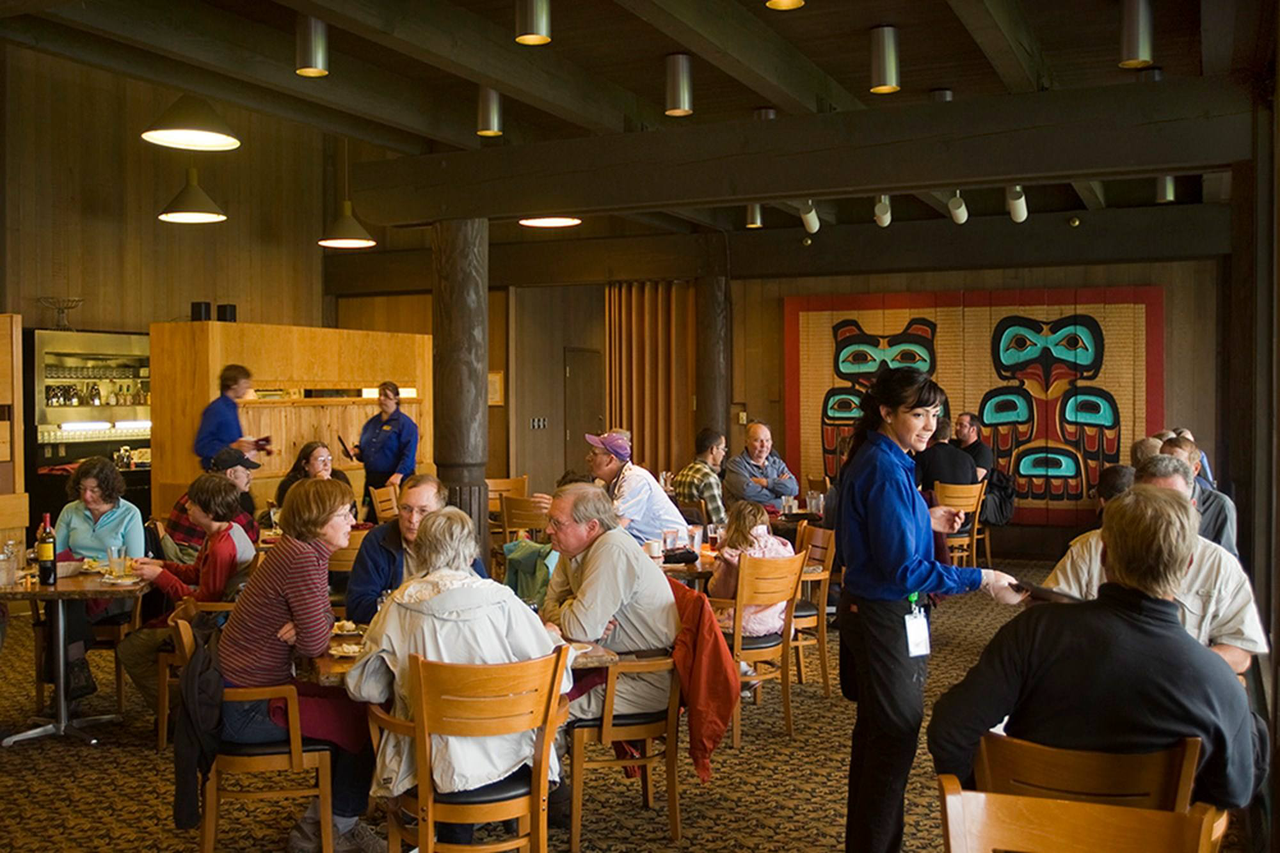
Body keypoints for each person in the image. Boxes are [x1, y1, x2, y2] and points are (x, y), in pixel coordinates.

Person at [928, 484, 1267, 811]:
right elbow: (1234, 792)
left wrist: (987, 798)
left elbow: (950, 729)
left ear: (1103, 554)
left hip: (1031, 836)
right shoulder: (1214, 679)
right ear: (1189, 564)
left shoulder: (1034, 633)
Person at [837, 367, 1021, 853]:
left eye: (935, 414)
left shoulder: (890, 459)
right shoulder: (881, 466)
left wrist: (924, 515)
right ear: (886, 412)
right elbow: (904, 571)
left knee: (880, 738)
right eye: (918, 413)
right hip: (884, 615)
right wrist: (981, 578)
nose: (930, 425)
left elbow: (887, 534)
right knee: (891, 740)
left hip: (879, 611)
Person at [346, 507, 573, 845]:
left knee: (417, 730)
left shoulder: (400, 605)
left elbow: (364, 687)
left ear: (421, 550)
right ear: (471, 551)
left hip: (429, 763)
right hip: (508, 753)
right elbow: (560, 679)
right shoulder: (503, 601)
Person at [218, 478, 383, 853]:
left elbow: (316, 627)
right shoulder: (301, 559)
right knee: (366, 719)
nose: (351, 521)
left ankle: (328, 823)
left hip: (246, 691)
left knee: (361, 704)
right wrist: (315, 625)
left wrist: (314, 623)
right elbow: (314, 643)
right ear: (316, 521)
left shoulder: (299, 552)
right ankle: (325, 831)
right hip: (246, 707)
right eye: (343, 514)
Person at [1044, 455, 1264, 673]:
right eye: (1150, 503)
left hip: (1181, 687)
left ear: (1192, 507)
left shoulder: (1219, 565)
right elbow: (1049, 618)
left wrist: (1175, 662)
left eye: (1172, 504)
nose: (1161, 514)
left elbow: (1240, 651)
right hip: (1102, 680)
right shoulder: (1090, 548)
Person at [541, 483, 680, 724]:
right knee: (527, 696)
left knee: (539, 711)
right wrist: (572, 606)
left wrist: (572, 611)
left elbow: (580, 629)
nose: (548, 530)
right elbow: (547, 608)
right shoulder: (572, 549)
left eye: (557, 523)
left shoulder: (611, 548)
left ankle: (545, 759)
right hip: (608, 666)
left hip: (643, 677)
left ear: (591, 526)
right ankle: (548, 759)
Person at [119, 474, 255, 711]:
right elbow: (195, 574)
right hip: (215, 616)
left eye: (193, 503)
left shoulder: (222, 548)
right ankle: (180, 700)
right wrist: (163, 565)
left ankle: (178, 711)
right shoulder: (224, 532)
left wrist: (159, 577)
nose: (187, 506)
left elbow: (202, 604)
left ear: (210, 512)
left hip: (211, 625)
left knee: (129, 650)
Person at [344, 474, 488, 625]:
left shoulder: (456, 540)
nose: (413, 519)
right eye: (406, 509)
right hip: (395, 634)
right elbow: (358, 606)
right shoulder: (378, 541)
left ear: (440, 513)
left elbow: (481, 594)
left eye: (423, 511)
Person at [581, 430, 689, 547]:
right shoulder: (607, 484)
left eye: (594, 454)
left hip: (673, 550)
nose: (588, 458)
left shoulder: (635, 479)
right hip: (647, 550)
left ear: (611, 460)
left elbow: (615, 527)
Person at [708, 500, 794, 637]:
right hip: (775, 621)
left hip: (737, 624)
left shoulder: (732, 554)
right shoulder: (784, 548)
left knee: (693, 614)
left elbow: (720, 594)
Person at [161, 447, 260, 565]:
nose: (250, 477)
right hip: (188, 560)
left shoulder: (204, 489)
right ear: (231, 473)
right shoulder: (218, 496)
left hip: (180, 557)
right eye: (246, 472)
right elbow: (252, 534)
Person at [55, 456, 146, 562]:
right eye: (82, 489)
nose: (86, 496)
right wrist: (48, 542)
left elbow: (135, 561)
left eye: (94, 491)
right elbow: (58, 555)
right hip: (75, 574)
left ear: (108, 489)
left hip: (114, 575)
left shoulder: (130, 514)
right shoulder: (70, 510)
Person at [1161, 436, 1238, 556]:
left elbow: (1227, 559)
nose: (1166, 470)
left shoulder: (1219, 505)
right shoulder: (1153, 501)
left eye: (1177, 465)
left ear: (1195, 468)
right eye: (1162, 462)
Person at [354, 381, 419, 522]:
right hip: (373, 478)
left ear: (396, 398)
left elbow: (409, 453)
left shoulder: (405, 424)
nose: (381, 399)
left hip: (393, 480)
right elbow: (367, 451)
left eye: (386, 396)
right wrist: (356, 452)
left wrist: (399, 474)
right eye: (380, 396)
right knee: (370, 519)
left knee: (392, 519)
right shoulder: (372, 423)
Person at [194, 364, 257, 470]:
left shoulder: (232, 407)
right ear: (233, 384)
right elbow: (201, 447)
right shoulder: (216, 409)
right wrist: (231, 447)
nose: (248, 386)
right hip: (219, 471)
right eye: (245, 382)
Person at [723, 422, 798, 511]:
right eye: (758, 440)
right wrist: (779, 494)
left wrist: (766, 483)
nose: (764, 445)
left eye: (767, 440)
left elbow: (794, 489)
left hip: (779, 519)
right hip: (749, 521)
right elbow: (747, 492)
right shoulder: (735, 464)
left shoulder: (777, 463)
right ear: (746, 442)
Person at [672, 427, 729, 525]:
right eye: (723, 449)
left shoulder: (682, 474)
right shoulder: (709, 478)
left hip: (687, 532)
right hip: (708, 536)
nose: (724, 454)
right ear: (713, 450)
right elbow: (719, 521)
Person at [275, 441, 353, 508]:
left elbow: (351, 506)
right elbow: (297, 513)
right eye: (320, 460)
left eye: (329, 459)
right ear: (305, 465)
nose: (326, 464)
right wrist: (319, 486)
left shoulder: (339, 478)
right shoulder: (291, 484)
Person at [912, 418, 977, 492]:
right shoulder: (968, 458)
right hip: (967, 503)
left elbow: (910, 486)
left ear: (929, 434)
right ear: (948, 436)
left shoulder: (923, 456)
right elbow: (975, 488)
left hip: (935, 503)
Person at [951, 412, 994, 481]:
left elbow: (975, 479)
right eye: (956, 425)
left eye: (962, 425)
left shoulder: (983, 451)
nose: (957, 428)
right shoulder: (952, 445)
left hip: (971, 491)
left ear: (973, 430)